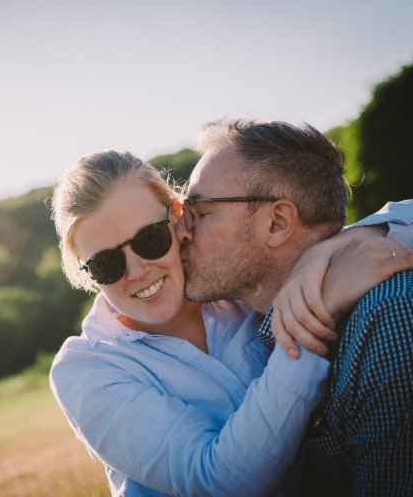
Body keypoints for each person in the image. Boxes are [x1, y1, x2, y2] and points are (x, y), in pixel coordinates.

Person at [49, 149, 413, 496]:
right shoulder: (86, 369)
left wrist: (331, 252)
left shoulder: (237, 283)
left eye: (150, 239)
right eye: (105, 265)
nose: (138, 272)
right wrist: (314, 311)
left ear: (177, 216)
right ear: (86, 271)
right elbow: (217, 482)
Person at [176, 118, 413, 496]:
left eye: (200, 213)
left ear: (277, 222)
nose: (182, 231)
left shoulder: (387, 318)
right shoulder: (245, 329)